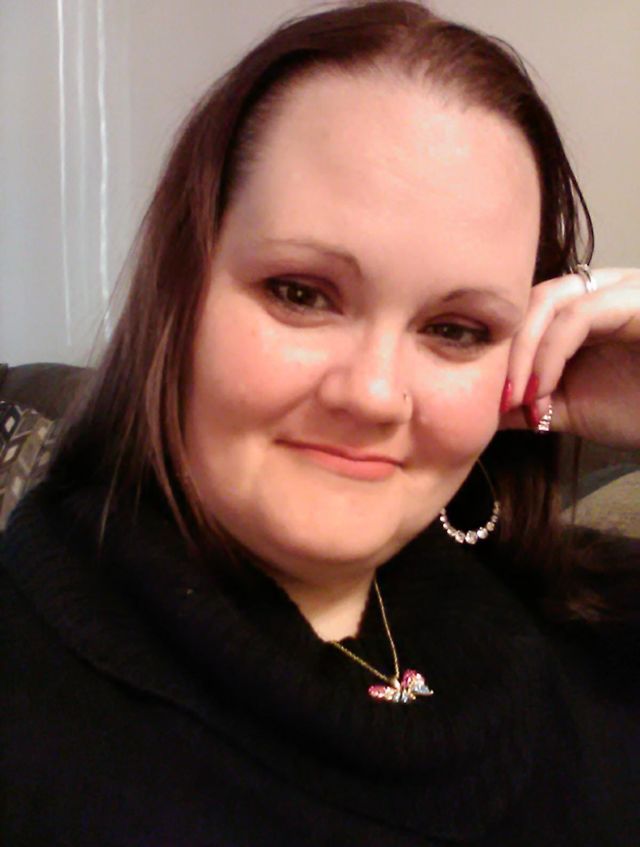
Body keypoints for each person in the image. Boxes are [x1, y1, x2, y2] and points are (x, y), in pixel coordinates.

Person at [2, 1, 639, 843]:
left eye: (457, 330)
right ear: (180, 292)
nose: (372, 394)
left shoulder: (591, 623)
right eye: (301, 293)